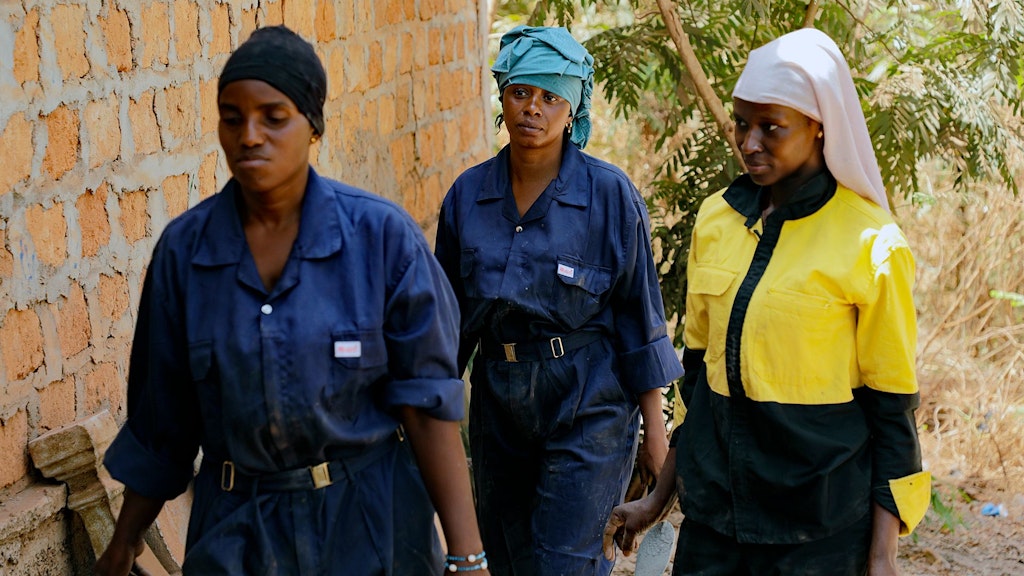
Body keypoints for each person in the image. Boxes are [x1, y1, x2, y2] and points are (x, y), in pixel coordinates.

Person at [95, 26, 489, 576]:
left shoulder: (381, 240)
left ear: (312, 125)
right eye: (232, 118)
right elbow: (165, 423)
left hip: (368, 524)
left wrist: (468, 557)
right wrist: (123, 543)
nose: (250, 136)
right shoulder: (185, 254)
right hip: (237, 531)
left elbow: (427, 408)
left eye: (273, 117)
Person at [602, 28, 931, 575]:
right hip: (715, 526)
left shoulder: (871, 246)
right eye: (741, 123)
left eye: (770, 128)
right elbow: (701, 384)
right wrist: (657, 500)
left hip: (818, 533)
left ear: (819, 126)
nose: (748, 142)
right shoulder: (716, 220)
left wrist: (882, 556)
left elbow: (893, 414)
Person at [434, 25, 684, 576]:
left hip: (587, 404)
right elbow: (447, 333)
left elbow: (640, 326)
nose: (533, 109)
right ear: (503, 97)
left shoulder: (610, 197)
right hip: (498, 409)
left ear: (573, 109)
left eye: (551, 97)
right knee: (508, 562)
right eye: (521, 92)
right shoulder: (468, 198)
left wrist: (657, 452)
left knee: (564, 567)